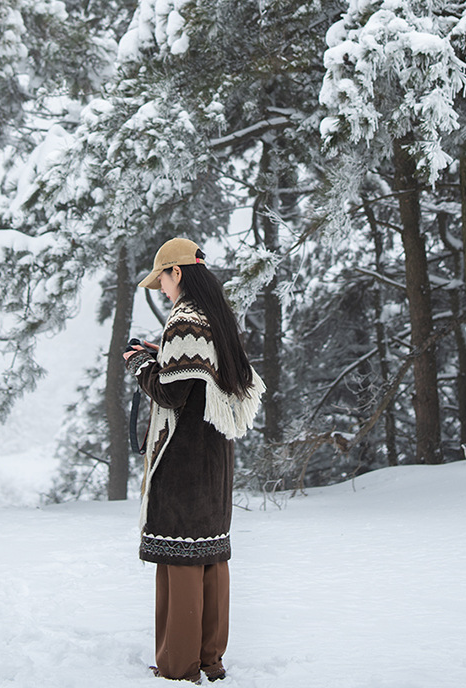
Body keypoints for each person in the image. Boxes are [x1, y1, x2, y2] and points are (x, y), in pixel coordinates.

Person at [124, 238, 264, 683]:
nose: (161, 288)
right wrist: (156, 356)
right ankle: (209, 659)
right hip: (215, 455)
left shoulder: (185, 319)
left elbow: (171, 391)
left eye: (162, 278)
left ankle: (178, 666)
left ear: (177, 273)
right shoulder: (217, 319)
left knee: (180, 557)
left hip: (183, 459)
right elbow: (194, 378)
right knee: (210, 558)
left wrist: (138, 364)